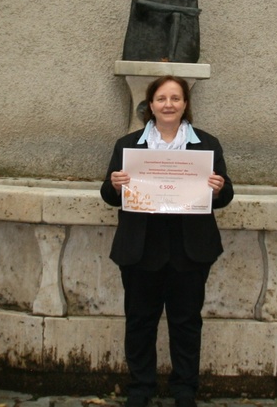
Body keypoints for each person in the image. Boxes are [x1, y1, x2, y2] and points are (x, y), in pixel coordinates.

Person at [100, 75, 233, 407]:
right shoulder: (128, 145)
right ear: (150, 105)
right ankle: (140, 387)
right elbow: (109, 195)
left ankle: (185, 388)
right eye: (162, 99)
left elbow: (225, 195)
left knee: (186, 322)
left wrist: (219, 187)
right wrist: (115, 185)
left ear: (185, 103)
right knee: (140, 321)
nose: (169, 105)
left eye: (175, 98)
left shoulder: (207, 144)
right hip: (141, 248)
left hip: (189, 249)